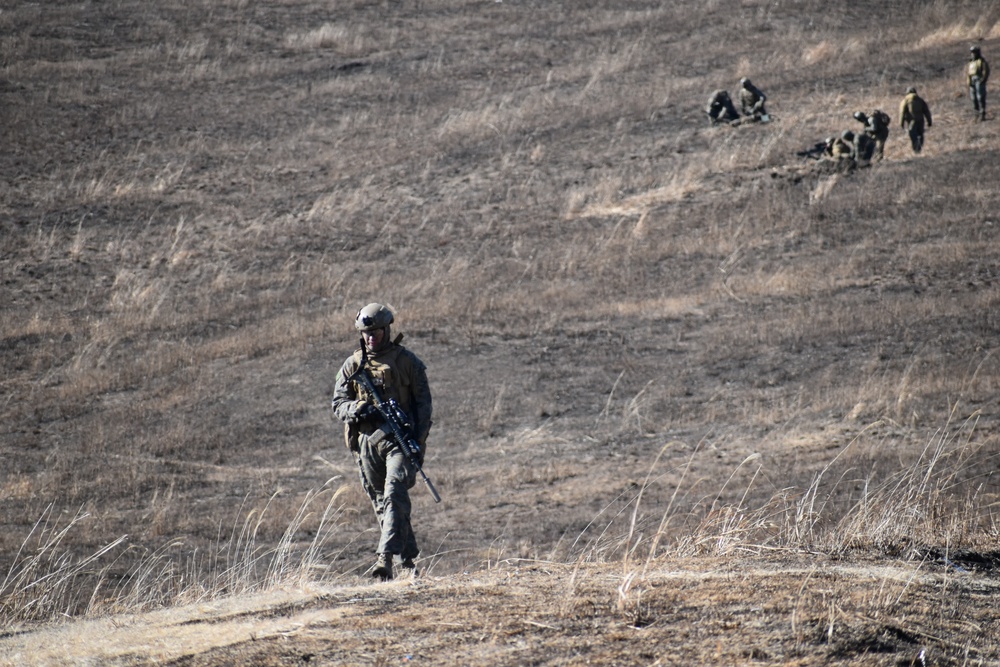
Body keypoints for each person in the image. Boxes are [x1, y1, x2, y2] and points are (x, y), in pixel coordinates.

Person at [331, 303, 433, 581]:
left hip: (400, 441)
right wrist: (360, 408)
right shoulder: (353, 365)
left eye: (376, 331)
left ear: (387, 329)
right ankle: (409, 564)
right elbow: (338, 404)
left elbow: (424, 407)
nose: (371, 337)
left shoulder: (407, 362)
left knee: (395, 490)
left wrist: (418, 444)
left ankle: (384, 558)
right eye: (366, 333)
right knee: (384, 502)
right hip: (366, 443)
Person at [899, 86, 932, 153]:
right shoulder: (920, 100)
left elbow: (902, 112)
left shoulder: (905, 100)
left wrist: (901, 124)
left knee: (913, 135)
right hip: (920, 121)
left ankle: (916, 149)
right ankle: (919, 147)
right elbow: (926, 111)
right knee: (920, 134)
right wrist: (929, 121)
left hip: (911, 121)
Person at [967, 45, 990, 121]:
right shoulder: (971, 62)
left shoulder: (981, 61)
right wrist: (969, 81)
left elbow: (986, 71)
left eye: (974, 52)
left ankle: (982, 113)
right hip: (972, 81)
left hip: (979, 80)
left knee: (980, 97)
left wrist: (983, 80)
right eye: (972, 52)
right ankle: (976, 114)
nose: (973, 54)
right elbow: (969, 73)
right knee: (974, 98)